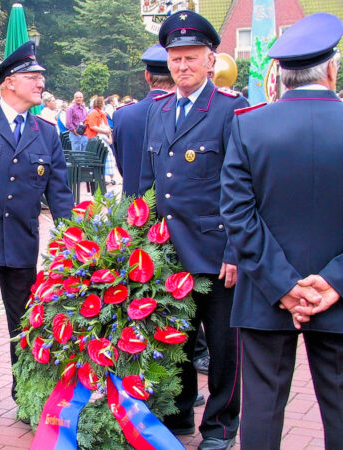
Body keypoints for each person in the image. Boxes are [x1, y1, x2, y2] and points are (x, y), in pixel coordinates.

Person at [220, 13, 343, 450]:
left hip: (264, 296)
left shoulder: (250, 124)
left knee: (262, 416)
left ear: (282, 76)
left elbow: (237, 214)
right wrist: (332, 282)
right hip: (338, 297)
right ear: (333, 67)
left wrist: (284, 286)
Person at [138, 11, 249, 450]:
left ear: (210, 60)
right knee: (175, 339)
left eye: (190, 58)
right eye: (175, 59)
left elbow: (244, 185)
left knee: (223, 347)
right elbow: (149, 182)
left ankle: (221, 426)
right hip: (168, 254)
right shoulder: (159, 110)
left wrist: (237, 249)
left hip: (217, 253)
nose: (181, 67)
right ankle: (181, 411)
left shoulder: (230, 109)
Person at [0, 40, 73, 425]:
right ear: (8, 83)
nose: (41, 83)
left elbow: (59, 193)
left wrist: (75, 236)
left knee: (24, 323)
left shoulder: (46, 132)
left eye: (41, 76)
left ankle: (26, 391)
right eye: (33, 77)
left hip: (22, 241)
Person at [113, 44, 174, 196]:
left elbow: (122, 165)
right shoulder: (182, 113)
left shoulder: (123, 115)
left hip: (132, 210)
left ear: (147, 76)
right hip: (171, 211)